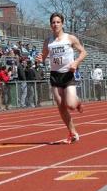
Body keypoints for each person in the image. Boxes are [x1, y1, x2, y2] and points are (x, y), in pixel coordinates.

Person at [36, 12, 87, 144]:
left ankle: (78, 102)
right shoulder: (48, 41)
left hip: (68, 74)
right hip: (55, 75)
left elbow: (83, 52)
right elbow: (43, 57)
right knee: (61, 106)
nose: (55, 24)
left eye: (58, 22)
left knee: (70, 105)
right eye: (53, 22)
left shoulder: (70, 38)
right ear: (50, 24)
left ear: (62, 23)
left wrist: (76, 62)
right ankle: (72, 132)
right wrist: (40, 59)